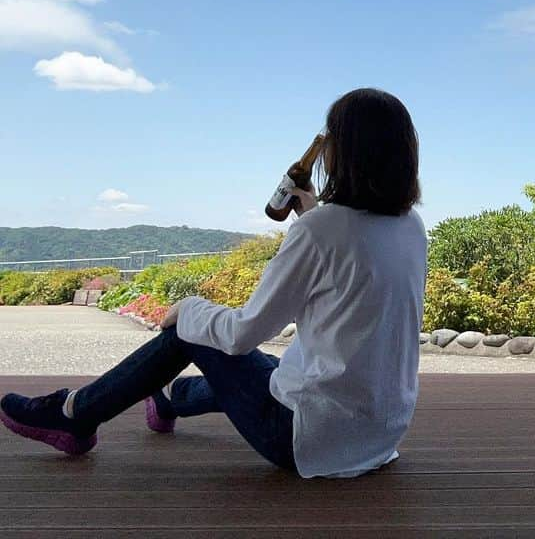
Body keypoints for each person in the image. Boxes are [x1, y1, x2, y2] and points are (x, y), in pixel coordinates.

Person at [0, 87, 428, 479]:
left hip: (307, 440)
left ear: (342, 151)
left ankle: (76, 414)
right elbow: (354, 257)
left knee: (194, 332)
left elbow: (243, 334)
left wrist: (188, 308)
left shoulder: (321, 231)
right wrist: (312, 212)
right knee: (267, 368)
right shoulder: (411, 228)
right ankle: (170, 397)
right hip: (377, 435)